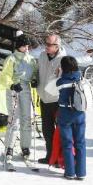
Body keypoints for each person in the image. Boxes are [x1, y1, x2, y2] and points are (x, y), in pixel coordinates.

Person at [0, 33, 37, 170]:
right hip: (14, 90)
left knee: (27, 118)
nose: (26, 48)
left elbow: (34, 73)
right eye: (24, 45)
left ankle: (25, 147)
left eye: (28, 46)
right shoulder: (11, 59)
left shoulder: (31, 60)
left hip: (26, 89)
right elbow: (4, 77)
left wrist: (34, 80)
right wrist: (12, 85)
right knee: (14, 119)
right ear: (18, 46)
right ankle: (9, 147)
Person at [36, 32, 66, 165]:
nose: (46, 47)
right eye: (45, 43)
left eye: (49, 44)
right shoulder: (42, 55)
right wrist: (34, 79)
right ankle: (50, 156)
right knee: (47, 131)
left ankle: (60, 159)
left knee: (60, 131)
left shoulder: (63, 59)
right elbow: (37, 71)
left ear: (57, 46)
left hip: (57, 99)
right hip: (44, 98)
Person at [55, 55, 88, 180]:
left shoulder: (61, 82)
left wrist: (58, 75)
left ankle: (69, 172)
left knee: (68, 143)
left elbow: (51, 91)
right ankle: (81, 173)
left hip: (65, 115)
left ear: (63, 68)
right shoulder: (81, 78)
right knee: (80, 143)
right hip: (80, 114)